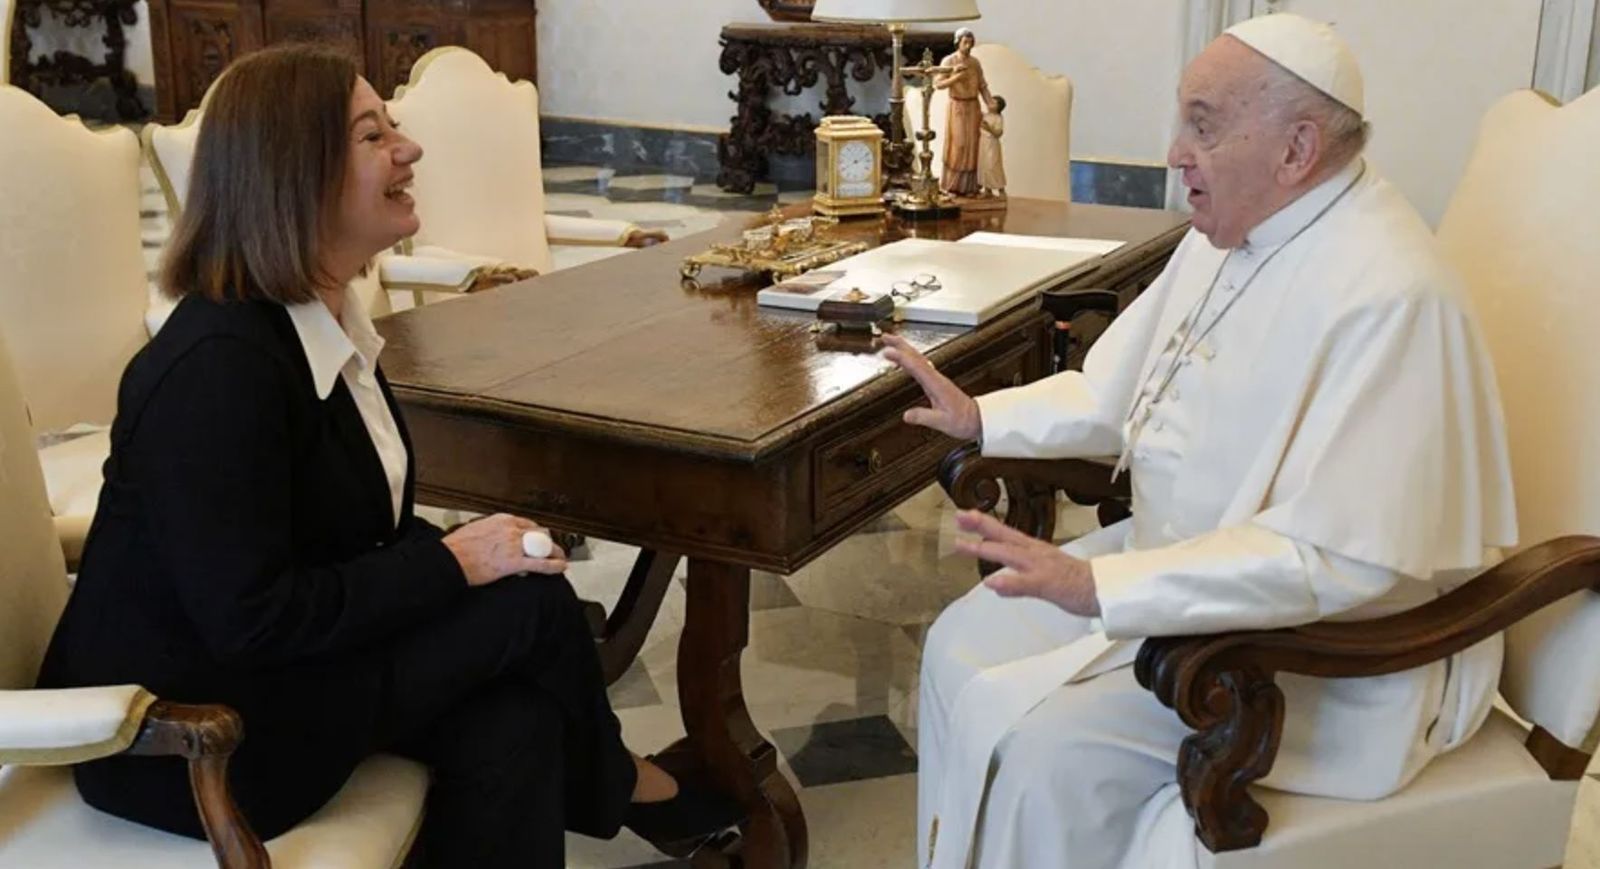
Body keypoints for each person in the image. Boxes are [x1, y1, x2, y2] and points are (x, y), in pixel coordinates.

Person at [36, 44, 738, 868]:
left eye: (394, 128)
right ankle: (633, 788)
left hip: (287, 675)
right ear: (294, 174)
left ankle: (628, 786)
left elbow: (348, 541)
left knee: (516, 714)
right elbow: (251, 620)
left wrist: (473, 561)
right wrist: (454, 565)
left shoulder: (322, 331)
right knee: (531, 609)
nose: (410, 150)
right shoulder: (215, 371)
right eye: (373, 136)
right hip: (194, 738)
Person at [884, 14, 1517, 869]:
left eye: (1204, 124)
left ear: (1296, 150)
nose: (1174, 150)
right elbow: (1117, 389)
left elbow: (1341, 558)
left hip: (1316, 662)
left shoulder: (1392, 295)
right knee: (961, 640)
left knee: (1043, 757)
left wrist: (1103, 583)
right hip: (1183, 583)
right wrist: (985, 418)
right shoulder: (1231, 231)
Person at [935, 27, 993, 197]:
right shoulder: (949, 61)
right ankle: (951, 185)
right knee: (958, 145)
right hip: (957, 107)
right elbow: (938, 84)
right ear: (957, 42)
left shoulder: (975, 63)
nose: (968, 46)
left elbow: (982, 85)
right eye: (965, 42)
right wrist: (955, 78)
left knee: (973, 145)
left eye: (970, 42)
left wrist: (990, 102)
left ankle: (970, 187)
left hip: (973, 107)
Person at [977, 94, 1006, 198]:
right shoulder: (985, 115)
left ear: (999, 107)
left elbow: (998, 133)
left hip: (992, 144)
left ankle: (1001, 189)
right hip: (983, 143)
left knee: (992, 166)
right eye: (990, 101)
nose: (990, 103)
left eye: (993, 102)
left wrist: (989, 128)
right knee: (983, 166)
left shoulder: (998, 118)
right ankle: (987, 190)